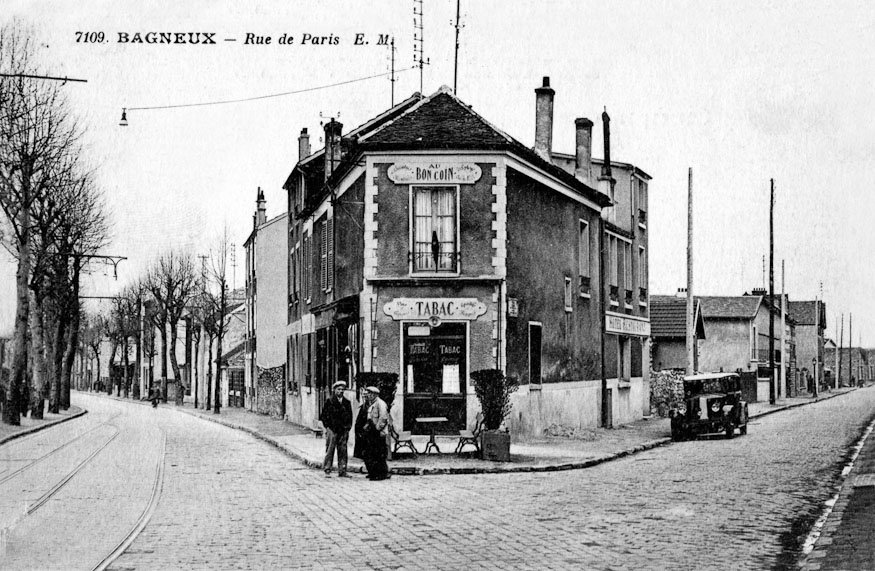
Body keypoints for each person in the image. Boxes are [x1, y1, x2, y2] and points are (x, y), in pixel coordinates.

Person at [319, 381, 353, 477]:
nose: (341, 391)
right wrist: (328, 428)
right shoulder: (329, 401)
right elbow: (323, 416)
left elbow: (350, 417)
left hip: (343, 430)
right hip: (332, 430)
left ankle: (342, 470)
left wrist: (347, 428)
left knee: (343, 450)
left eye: (342, 389)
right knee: (330, 450)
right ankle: (327, 469)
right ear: (334, 390)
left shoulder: (347, 402)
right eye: (339, 389)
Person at [362, 386, 391, 481]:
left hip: (378, 433)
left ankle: (380, 474)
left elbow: (383, 418)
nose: (368, 395)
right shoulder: (372, 403)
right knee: (372, 453)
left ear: (375, 394)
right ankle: (373, 472)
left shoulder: (380, 404)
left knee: (378, 453)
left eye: (370, 393)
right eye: (368, 393)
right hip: (372, 432)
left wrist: (377, 429)